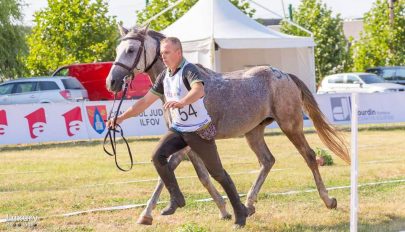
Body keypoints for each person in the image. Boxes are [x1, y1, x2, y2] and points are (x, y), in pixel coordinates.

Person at [107, 37, 247, 227]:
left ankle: (240, 210)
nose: (162, 56)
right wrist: (120, 118)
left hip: (199, 130)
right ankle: (176, 197)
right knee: (158, 156)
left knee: (218, 173)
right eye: (161, 53)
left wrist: (182, 102)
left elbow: (199, 90)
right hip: (179, 129)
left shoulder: (189, 69)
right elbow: (144, 102)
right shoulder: (164, 76)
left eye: (166, 53)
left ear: (178, 53)